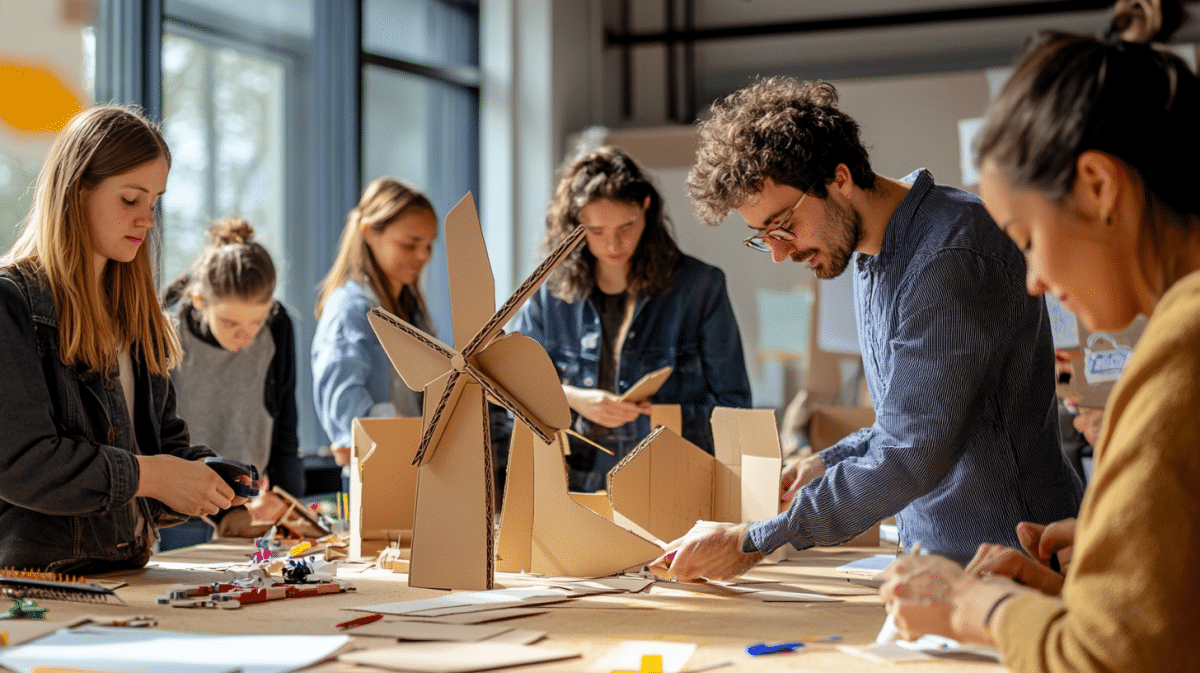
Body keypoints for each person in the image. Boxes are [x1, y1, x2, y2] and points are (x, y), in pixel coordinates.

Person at [658, 76, 1083, 580]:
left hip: (1013, 562)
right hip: (939, 564)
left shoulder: (950, 259)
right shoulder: (868, 257)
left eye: (783, 224)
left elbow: (912, 451)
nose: (778, 252)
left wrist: (753, 541)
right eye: (762, 237)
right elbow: (905, 420)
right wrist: (827, 462)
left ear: (839, 179)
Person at [881, 1, 1200, 669]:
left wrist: (977, 607)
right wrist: (1086, 589)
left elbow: (1113, 662)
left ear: (1097, 185)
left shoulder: (1184, 343)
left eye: (1027, 240)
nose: (1032, 280)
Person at [0, 105, 247, 572]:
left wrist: (215, 486)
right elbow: (22, 464)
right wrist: (151, 475)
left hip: (128, 574)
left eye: (154, 202)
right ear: (76, 193)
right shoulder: (11, 304)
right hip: (39, 587)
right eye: (130, 200)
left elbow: (160, 446)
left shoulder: (135, 315)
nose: (147, 220)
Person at [515, 146, 751, 492]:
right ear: (575, 224)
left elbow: (735, 408)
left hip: (674, 481)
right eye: (596, 231)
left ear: (646, 207)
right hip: (573, 485)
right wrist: (573, 398)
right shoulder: (549, 294)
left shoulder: (700, 288)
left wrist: (662, 416)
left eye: (626, 226)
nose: (614, 244)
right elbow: (512, 386)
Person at [159, 218, 303, 545]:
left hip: (251, 507)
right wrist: (219, 512)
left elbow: (284, 422)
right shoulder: (166, 325)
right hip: (181, 511)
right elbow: (154, 434)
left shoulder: (278, 326)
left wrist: (287, 498)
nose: (247, 336)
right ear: (199, 302)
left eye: (257, 320)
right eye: (230, 322)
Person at [312, 177, 436, 466]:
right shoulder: (350, 310)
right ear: (369, 233)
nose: (422, 256)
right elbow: (343, 403)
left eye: (428, 246)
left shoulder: (412, 313)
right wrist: (405, 432)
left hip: (412, 470)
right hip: (377, 474)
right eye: (410, 244)